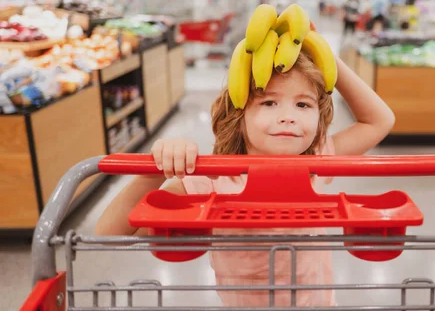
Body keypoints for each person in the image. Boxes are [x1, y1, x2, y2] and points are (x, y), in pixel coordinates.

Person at [95, 45, 395, 306]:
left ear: (319, 118)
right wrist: (158, 168)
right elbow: (109, 233)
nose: (288, 115)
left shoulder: (316, 162)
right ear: (239, 116)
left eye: (303, 104)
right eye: (269, 102)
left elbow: (379, 121)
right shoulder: (208, 178)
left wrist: (329, 59)